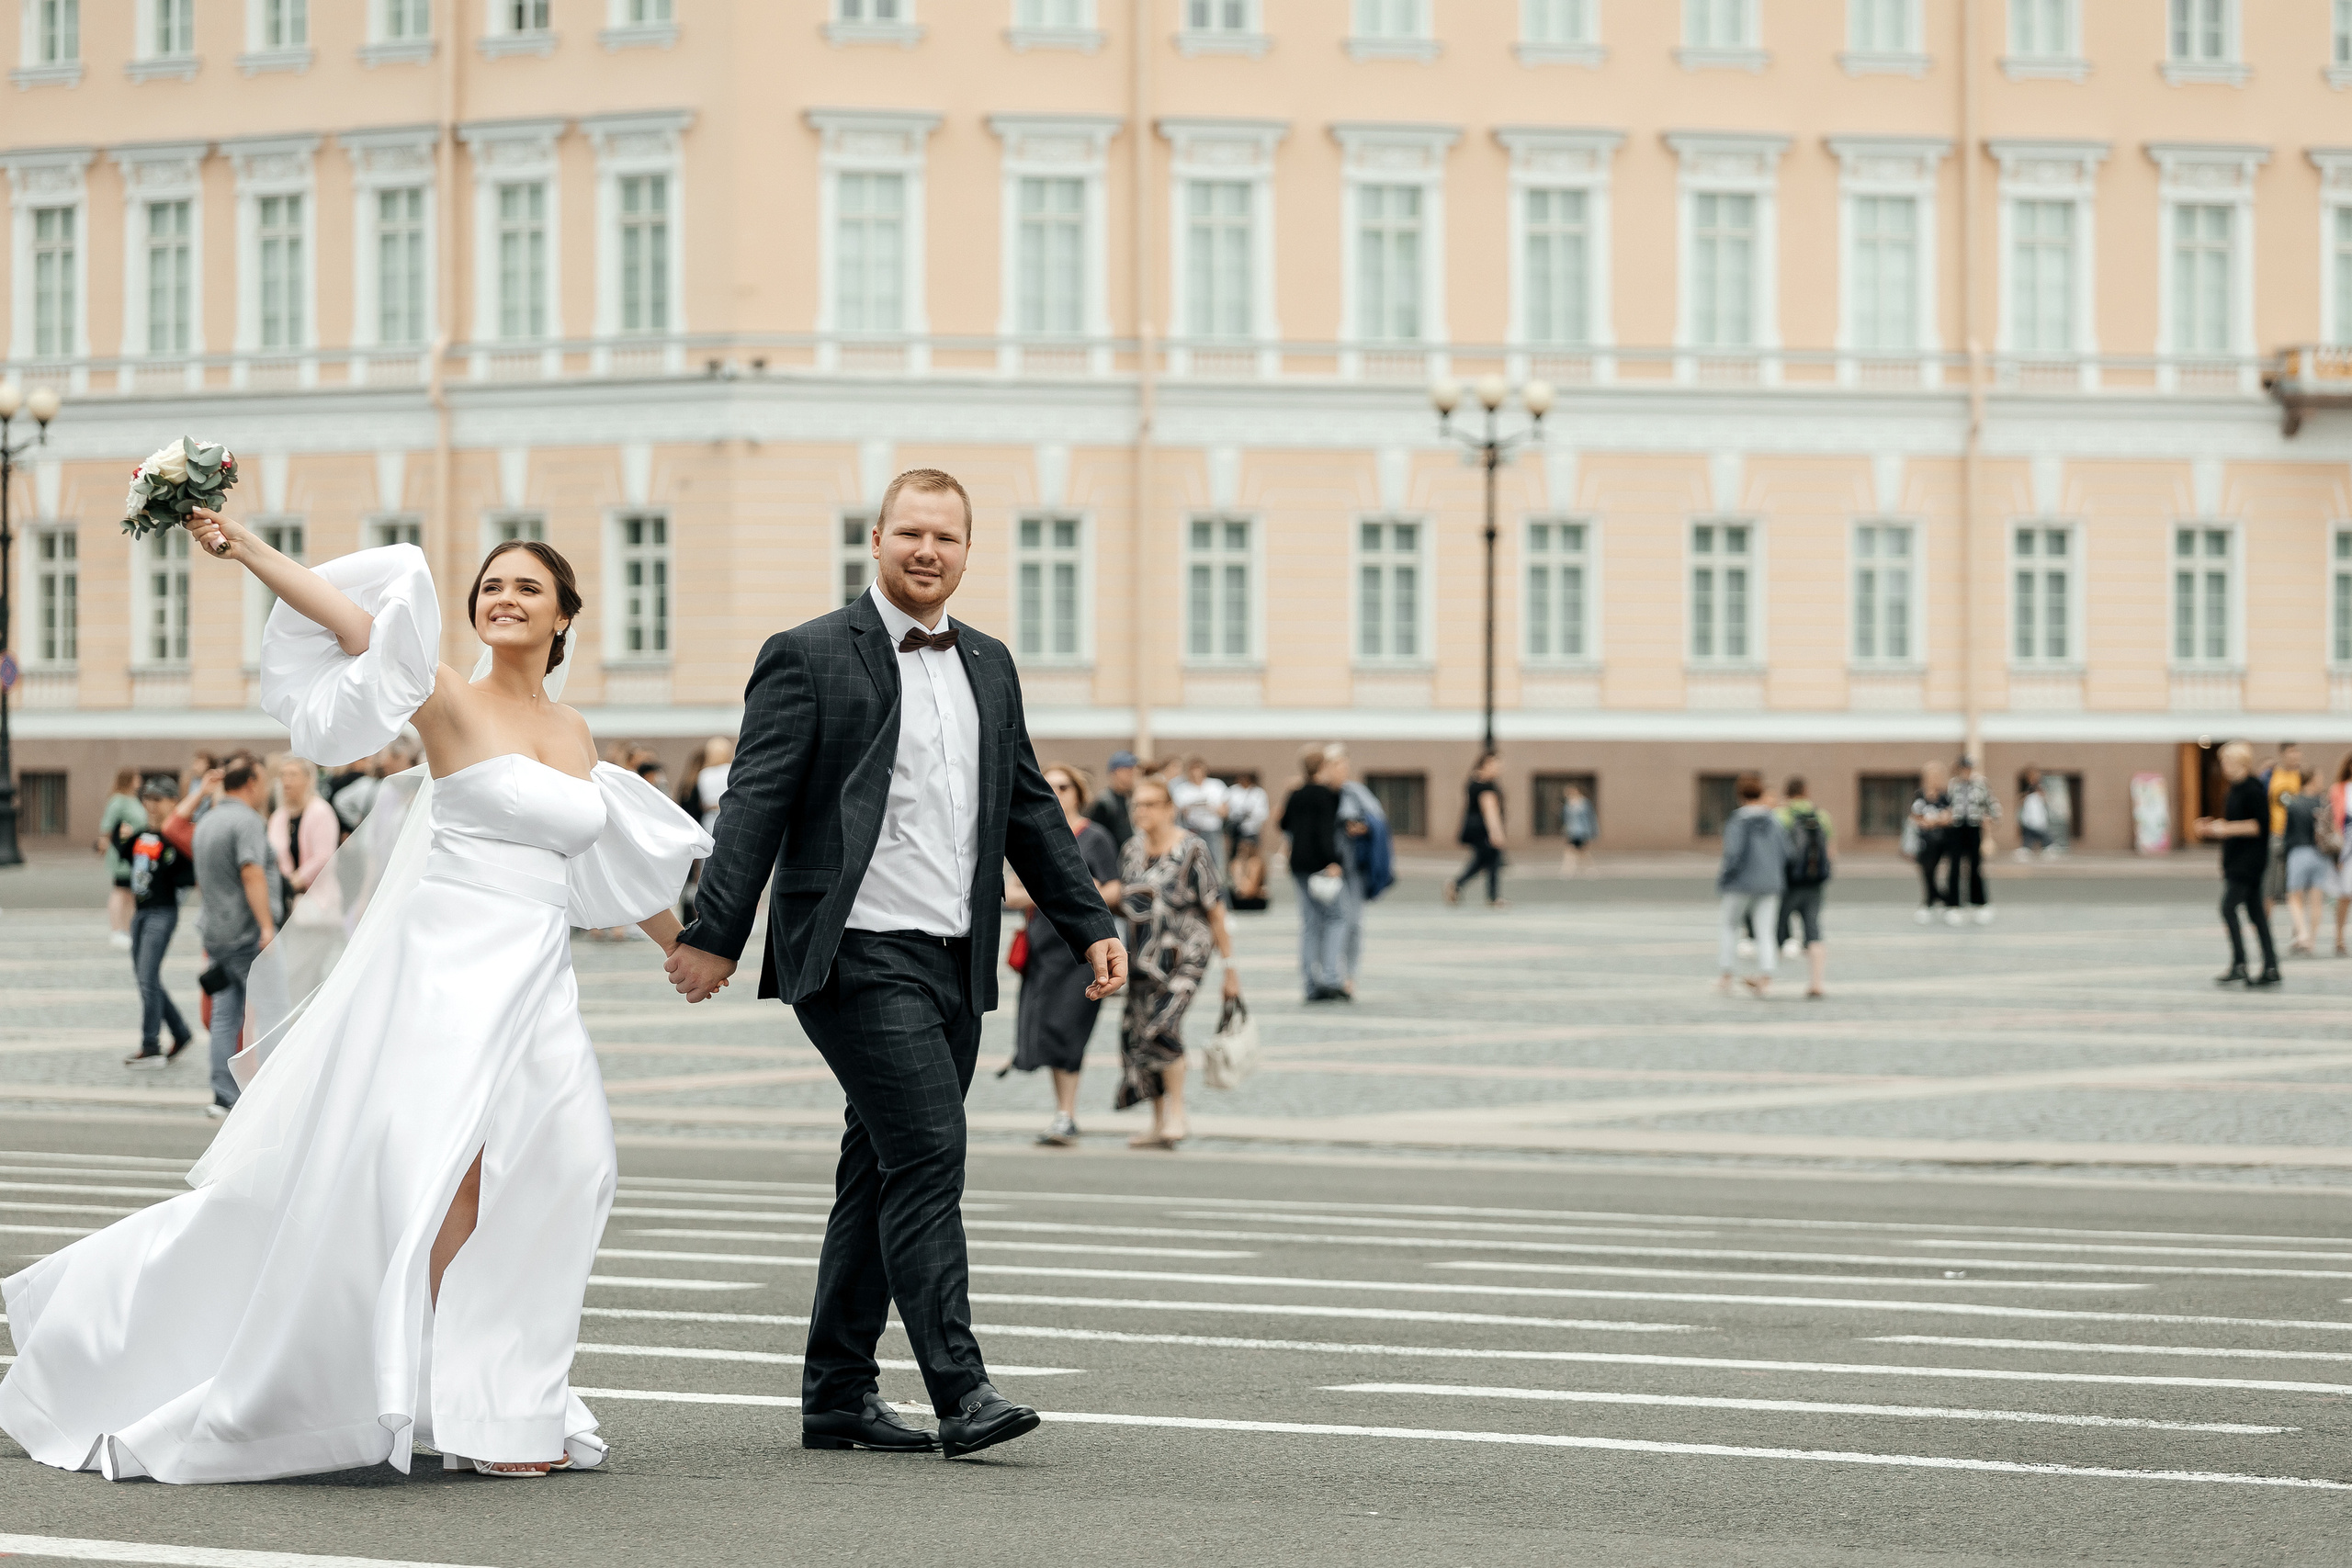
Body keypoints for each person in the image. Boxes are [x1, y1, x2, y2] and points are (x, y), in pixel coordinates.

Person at [0, 515, 710, 1485]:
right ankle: (451, 1402)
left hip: (538, 982)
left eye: (527, 588)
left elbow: (612, 859)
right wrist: (249, 552)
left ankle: (503, 1394)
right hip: (444, 974)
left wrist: (687, 950)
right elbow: (349, 618)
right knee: (439, 1179)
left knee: (572, 1168)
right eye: (491, 585)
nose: (504, 597)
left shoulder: (574, 731)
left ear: (563, 617)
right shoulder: (447, 697)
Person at [662, 468, 1125, 1461]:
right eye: (909, 533)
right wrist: (713, 932)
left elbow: (1030, 808)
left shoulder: (989, 665)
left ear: (967, 552)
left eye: (946, 538)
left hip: (952, 959)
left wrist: (1086, 918)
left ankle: (836, 1393)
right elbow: (755, 801)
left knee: (876, 1174)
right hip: (854, 952)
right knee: (927, 1153)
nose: (927, 551)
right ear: (874, 541)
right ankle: (963, 1389)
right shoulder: (810, 655)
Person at [1116, 776, 1238, 1150]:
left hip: (1187, 955)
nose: (1142, 811)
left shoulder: (1192, 848)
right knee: (1138, 1033)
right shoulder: (1131, 850)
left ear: (1170, 807)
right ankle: (1158, 1121)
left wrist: (1230, 968)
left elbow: (1215, 909)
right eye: (1137, 804)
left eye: (1151, 804)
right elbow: (1125, 903)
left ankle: (1178, 1114)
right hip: (1141, 956)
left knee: (1163, 1026)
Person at [1005, 762, 1123, 1147]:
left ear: (1078, 792)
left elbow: (1114, 889)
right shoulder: (1033, 835)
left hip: (1081, 951)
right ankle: (1062, 1113)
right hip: (1042, 948)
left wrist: (1070, 898)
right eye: (1048, 786)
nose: (1056, 792)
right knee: (1047, 1029)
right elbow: (1011, 891)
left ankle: (1067, 1114)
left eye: (1063, 786)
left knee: (1067, 1027)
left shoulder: (1096, 838)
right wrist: (1058, 893)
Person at [191, 757, 280, 1118]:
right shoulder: (246, 822)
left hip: (216, 931)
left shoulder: (208, 820)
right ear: (253, 782)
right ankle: (277, 1090)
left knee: (225, 1015)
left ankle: (223, 1093)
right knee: (275, 1009)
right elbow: (251, 873)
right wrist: (266, 926)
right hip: (245, 934)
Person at [114, 778, 201, 1068]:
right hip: (140, 913)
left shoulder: (173, 839)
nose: (152, 805)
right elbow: (125, 854)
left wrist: (170, 865)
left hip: (162, 913)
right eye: (148, 799)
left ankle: (150, 1045)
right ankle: (180, 1032)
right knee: (144, 977)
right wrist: (117, 835)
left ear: (173, 802)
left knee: (148, 978)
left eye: (159, 799)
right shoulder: (142, 835)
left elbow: (188, 875)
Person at [2198, 740, 2280, 987]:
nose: (2222, 766)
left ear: (2238, 762)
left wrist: (2224, 828)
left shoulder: (2252, 788)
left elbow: (2259, 825)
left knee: (2228, 907)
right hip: (2237, 859)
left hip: (2249, 861)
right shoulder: (2234, 789)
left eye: (2225, 761)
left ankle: (2240, 964)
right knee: (2256, 914)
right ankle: (2271, 965)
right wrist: (2216, 826)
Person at [1278, 744, 1348, 1001]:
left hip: (1298, 864)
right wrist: (1333, 861)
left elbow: (1283, 823)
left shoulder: (1296, 794)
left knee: (1309, 923)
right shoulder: (1326, 795)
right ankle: (1330, 977)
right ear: (1322, 767)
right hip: (1320, 864)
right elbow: (1325, 832)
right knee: (1336, 918)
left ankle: (1309, 982)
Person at [1326, 743, 1392, 998]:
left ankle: (1348, 976)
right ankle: (1327, 975)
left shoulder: (1355, 792)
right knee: (1326, 924)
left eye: (1344, 765)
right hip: (1327, 868)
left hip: (1353, 868)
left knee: (1352, 923)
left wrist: (1363, 827)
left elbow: (1377, 820)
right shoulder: (1322, 793)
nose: (1341, 770)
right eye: (1336, 765)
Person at [1716, 773, 1788, 998]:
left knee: (1729, 927)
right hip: (1770, 883)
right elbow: (1788, 852)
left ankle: (1726, 975)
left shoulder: (1738, 821)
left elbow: (1733, 853)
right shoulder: (1774, 821)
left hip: (1740, 883)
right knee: (1765, 931)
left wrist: (1726, 877)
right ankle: (1766, 977)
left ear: (1740, 795)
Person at [1775, 776, 1832, 999]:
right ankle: (1816, 982)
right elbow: (1830, 851)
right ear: (1806, 791)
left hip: (1788, 883)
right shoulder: (1821, 815)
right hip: (1815, 882)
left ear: (1786, 792)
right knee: (1813, 930)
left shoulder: (1781, 815)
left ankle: (1764, 979)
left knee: (1777, 927)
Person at [1444, 750, 1508, 908]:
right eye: (1495, 765)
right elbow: (1490, 811)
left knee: (1483, 860)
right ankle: (1492, 897)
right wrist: (1496, 832)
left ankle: (1457, 885)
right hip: (1483, 829)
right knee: (1491, 859)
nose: (1498, 768)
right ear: (1485, 765)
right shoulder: (1486, 785)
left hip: (1473, 827)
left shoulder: (1473, 782)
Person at [2279, 773, 2332, 958]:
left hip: (2299, 852)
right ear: (2312, 780)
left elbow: (2287, 833)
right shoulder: (2322, 803)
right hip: (2320, 854)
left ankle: (2301, 933)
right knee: (2316, 900)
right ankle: (2312, 939)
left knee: (2294, 897)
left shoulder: (2294, 803)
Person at [1942, 755, 1999, 925]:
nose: (1966, 772)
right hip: (1956, 828)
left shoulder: (1981, 784)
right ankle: (1953, 905)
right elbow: (1946, 804)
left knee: (1975, 867)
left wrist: (1990, 818)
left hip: (1974, 828)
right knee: (1954, 868)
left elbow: (1992, 805)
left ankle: (1979, 903)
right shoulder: (1953, 785)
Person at [98, 769, 145, 951]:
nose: (139, 781)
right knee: (120, 889)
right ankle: (117, 929)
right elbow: (108, 826)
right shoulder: (118, 800)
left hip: (136, 852)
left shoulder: (133, 799)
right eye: (136, 777)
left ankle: (128, 929)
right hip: (121, 852)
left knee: (132, 893)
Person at [1169, 756, 1229, 887]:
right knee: (1191, 863)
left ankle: (1217, 892)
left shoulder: (1216, 786)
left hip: (1212, 830)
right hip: (1192, 830)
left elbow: (1225, 812)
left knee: (1215, 864)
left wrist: (1211, 807)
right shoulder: (1183, 789)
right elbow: (1175, 812)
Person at [1908, 761, 1951, 924]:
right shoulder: (1920, 795)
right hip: (1925, 842)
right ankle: (1933, 900)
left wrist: (1934, 821)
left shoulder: (1945, 796)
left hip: (1943, 840)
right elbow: (1916, 817)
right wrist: (1935, 820)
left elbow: (1949, 817)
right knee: (1927, 871)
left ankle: (1945, 900)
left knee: (1946, 872)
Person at [1088, 750, 1138, 847]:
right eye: (1128, 770)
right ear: (1116, 772)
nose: (1132, 774)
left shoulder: (1130, 798)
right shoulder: (1104, 803)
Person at [1225, 769, 1270, 867]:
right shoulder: (1233, 791)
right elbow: (1227, 809)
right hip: (1235, 829)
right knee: (1235, 853)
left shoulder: (1258, 793)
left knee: (1252, 854)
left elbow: (1263, 813)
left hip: (1251, 829)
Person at [1560, 783, 1596, 875]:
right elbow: (1566, 818)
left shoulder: (1584, 803)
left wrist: (1591, 830)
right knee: (1570, 850)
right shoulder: (1568, 804)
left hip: (1582, 830)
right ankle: (1568, 869)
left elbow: (1590, 817)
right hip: (1572, 831)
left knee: (1583, 851)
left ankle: (1589, 868)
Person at [2016, 768, 2052, 859]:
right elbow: (2022, 798)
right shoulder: (2028, 788)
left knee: (2039, 833)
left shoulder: (2039, 787)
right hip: (2030, 817)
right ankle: (2029, 848)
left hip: (2037, 816)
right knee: (2030, 834)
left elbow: (2044, 797)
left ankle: (2048, 846)